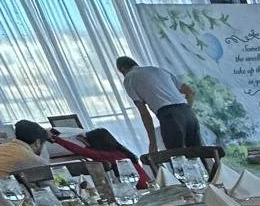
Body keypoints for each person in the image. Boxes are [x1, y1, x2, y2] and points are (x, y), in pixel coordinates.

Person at [12, 121, 149, 185]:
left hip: (139, 186)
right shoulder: (121, 151)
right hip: (142, 183)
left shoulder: (110, 156)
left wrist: (56, 139)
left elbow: (80, 150)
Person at [116, 55, 201, 151]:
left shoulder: (129, 79)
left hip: (169, 115)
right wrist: (186, 111)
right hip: (188, 113)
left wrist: (153, 142)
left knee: (177, 155)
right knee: (198, 153)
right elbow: (190, 91)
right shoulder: (159, 70)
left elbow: (144, 113)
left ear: (122, 69)